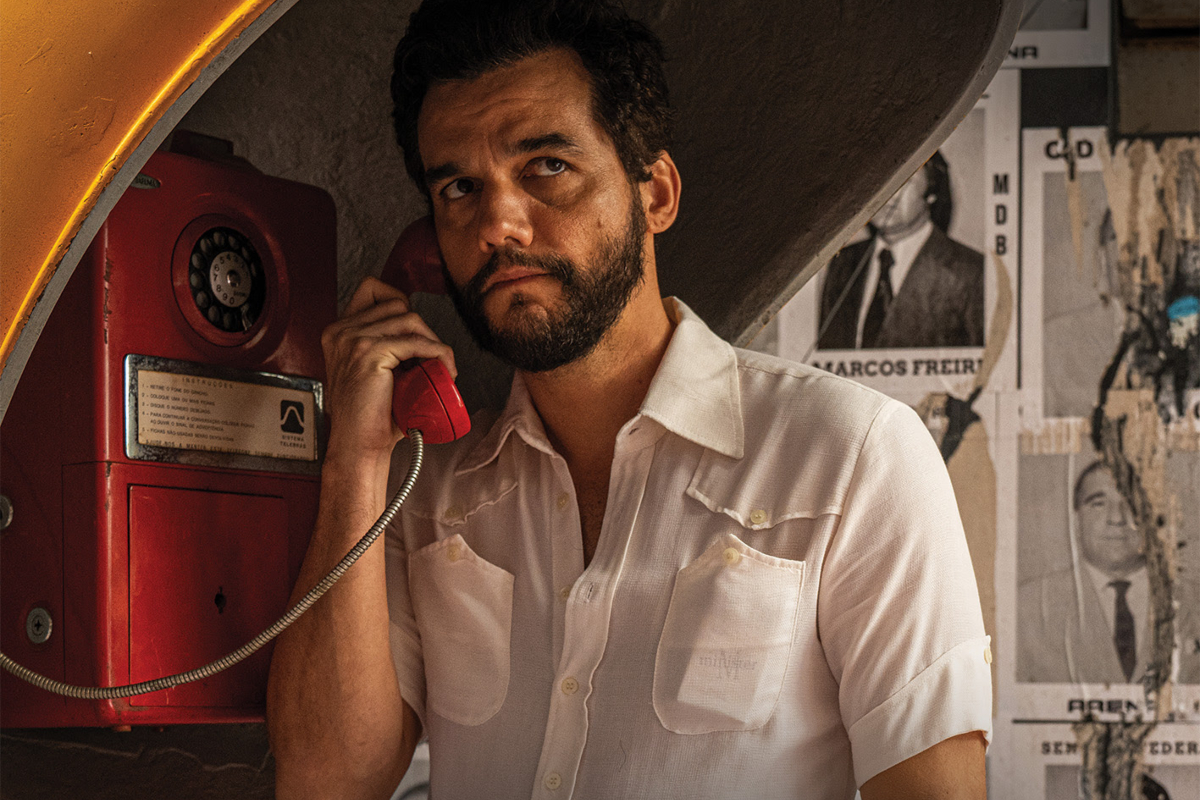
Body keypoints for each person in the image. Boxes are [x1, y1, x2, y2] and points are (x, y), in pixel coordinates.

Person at [266, 2, 991, 797]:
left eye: (546, 166)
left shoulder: (852, 457)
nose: (498, 224)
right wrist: (355, 457)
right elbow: (325, 784)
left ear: (656, 195)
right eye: (461, 188)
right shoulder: (424, 492)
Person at [816, 151, 985, 350]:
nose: (888, 195)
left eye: (904, 181)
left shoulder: (972, 270)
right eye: (877, 182)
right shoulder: (842, 261)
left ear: (931, 192)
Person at [1017, 460, 1150, 684]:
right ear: (1076, 521)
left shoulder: (1193, 603)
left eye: (1131, 503)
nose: (1116, 518)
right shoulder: (1026, 606)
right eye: (1098, 504)